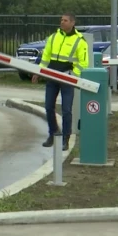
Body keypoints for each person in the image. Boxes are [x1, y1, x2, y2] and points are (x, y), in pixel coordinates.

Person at [31, 12, 89, 151]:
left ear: (72, 23)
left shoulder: (80, 41)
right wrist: (38, 72)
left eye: (65, 20)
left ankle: (65, 139)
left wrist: (73, 76)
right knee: (49, 107)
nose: (62, 22)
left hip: (67, 79)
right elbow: (45, 57)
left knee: (66, 110)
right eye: (61, 20)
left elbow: (83, 63)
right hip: (52, 77)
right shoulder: (53, 37)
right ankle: (53, 133)